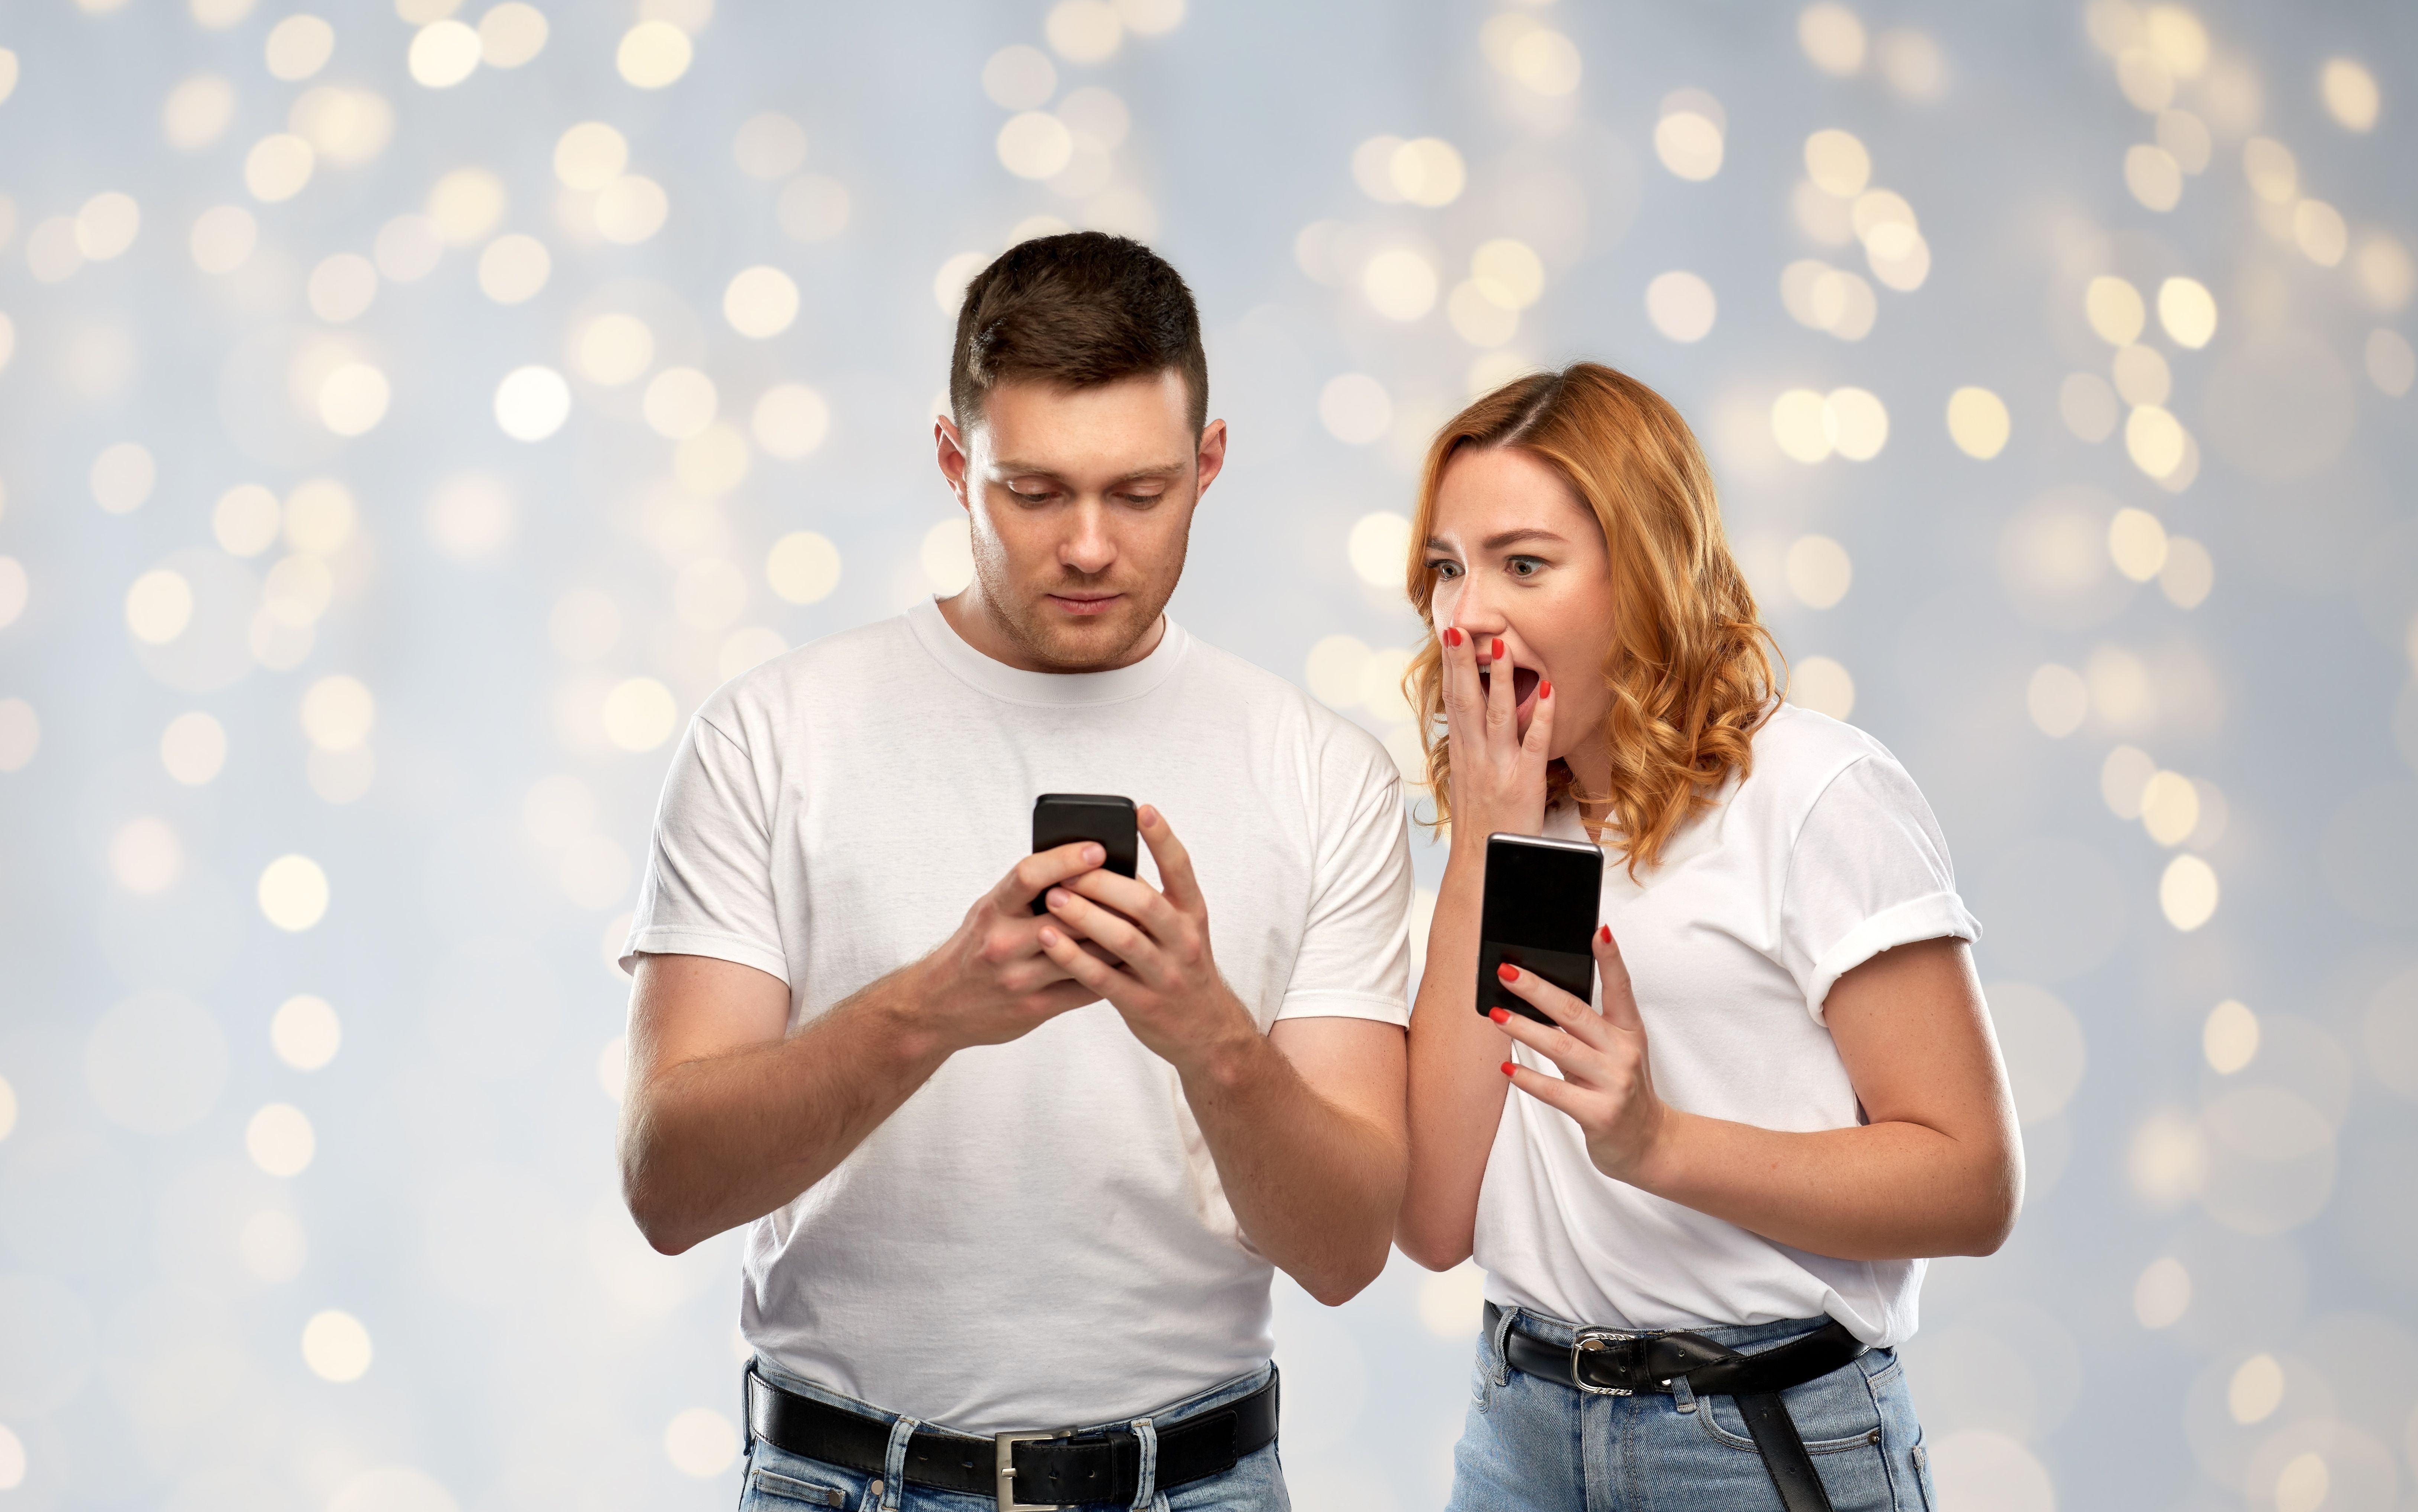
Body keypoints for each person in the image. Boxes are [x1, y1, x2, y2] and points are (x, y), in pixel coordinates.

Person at [618, 232, 1414, 1512]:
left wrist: (1208, 1036)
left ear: (1208, 464)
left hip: (1194, 1485)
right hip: (846, 1478)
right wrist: (927, 1011)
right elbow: (666, 1188)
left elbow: (1344, 1251)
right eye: (1033, 492)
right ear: (954, 462)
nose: (1089, 547)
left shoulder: (1321, 771)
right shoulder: (773, 734)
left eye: (1139, 493)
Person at [1394, 364, 2021, 1512]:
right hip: (1520, 1434)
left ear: (1644, 571)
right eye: (1446, 567)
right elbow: (1432, 1218)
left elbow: (1971, 1184)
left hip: (1755, 1439)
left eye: (1522, 565)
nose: (1464, 616)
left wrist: (1658, 1143)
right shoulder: (1516, 816)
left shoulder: (1811, 793)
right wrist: (1485, 843)